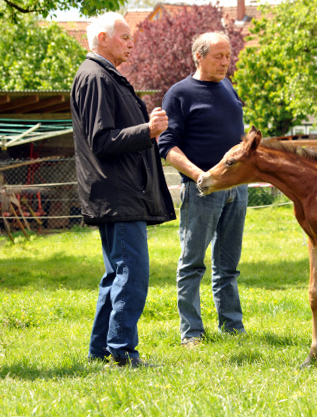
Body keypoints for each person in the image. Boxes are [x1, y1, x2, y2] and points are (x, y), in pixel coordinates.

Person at [71, 12, 176, 368]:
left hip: (117, 193)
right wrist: (147, 130)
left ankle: (100, 349)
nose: (132, 44)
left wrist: (147, 129)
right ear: (102, 38)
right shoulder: (96, 78)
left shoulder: (103, 76)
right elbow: (101, 140)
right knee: (132, 272)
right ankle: (122, 350)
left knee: (117, 273)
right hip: (116, 194)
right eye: (126, 37)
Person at [158, 32, 248, 347]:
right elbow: (166, 147)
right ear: (199, 56)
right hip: (202, 191)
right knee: (193, 262)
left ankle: (232, 328)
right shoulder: (180, 94)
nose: (226, 62)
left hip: (237, 189)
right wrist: (200, 176)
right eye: (218, 57)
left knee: (228, 265)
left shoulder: (227, 86)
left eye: (228, 56)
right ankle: (192, 333)